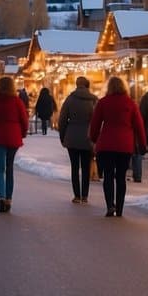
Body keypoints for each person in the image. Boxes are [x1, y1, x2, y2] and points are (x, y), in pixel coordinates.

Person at [89, 76, 146, 218]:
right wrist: (143, 144)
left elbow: (95, 124)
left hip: (106, 144)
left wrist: (94, 139)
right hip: (124, 145)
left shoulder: (103, 103)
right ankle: (119, 208)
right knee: (121, 176)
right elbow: (139, 126)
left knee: (108, 175)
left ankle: (110, 205)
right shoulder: (130, 104)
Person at [0, 76, 29, 213]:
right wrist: (23, 133)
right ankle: (9, 198)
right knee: (10, 168)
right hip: (13, 137)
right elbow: (24, 120)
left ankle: (1, 197)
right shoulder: (17, 101)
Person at [58, 76, 98, 204]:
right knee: (86, 167)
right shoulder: (93, 100)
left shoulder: (70, 99)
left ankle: (77, 195)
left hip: (72, 136)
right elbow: (97, 120)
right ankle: (85, 195)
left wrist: (63, 136)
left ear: (76, 85)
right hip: (88, 136)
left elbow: (62, 119)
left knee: (74, 167)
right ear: (87, 85)